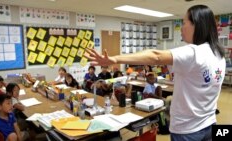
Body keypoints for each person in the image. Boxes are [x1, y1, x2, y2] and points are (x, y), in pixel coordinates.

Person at [85, 5, 225, 141]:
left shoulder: (194, 52)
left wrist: (114, 59)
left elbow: (155, 56)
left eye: (184, 22)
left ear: (197, 25)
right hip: (209, 124)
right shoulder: (219, 54)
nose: (181, 28)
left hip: (188, 130)